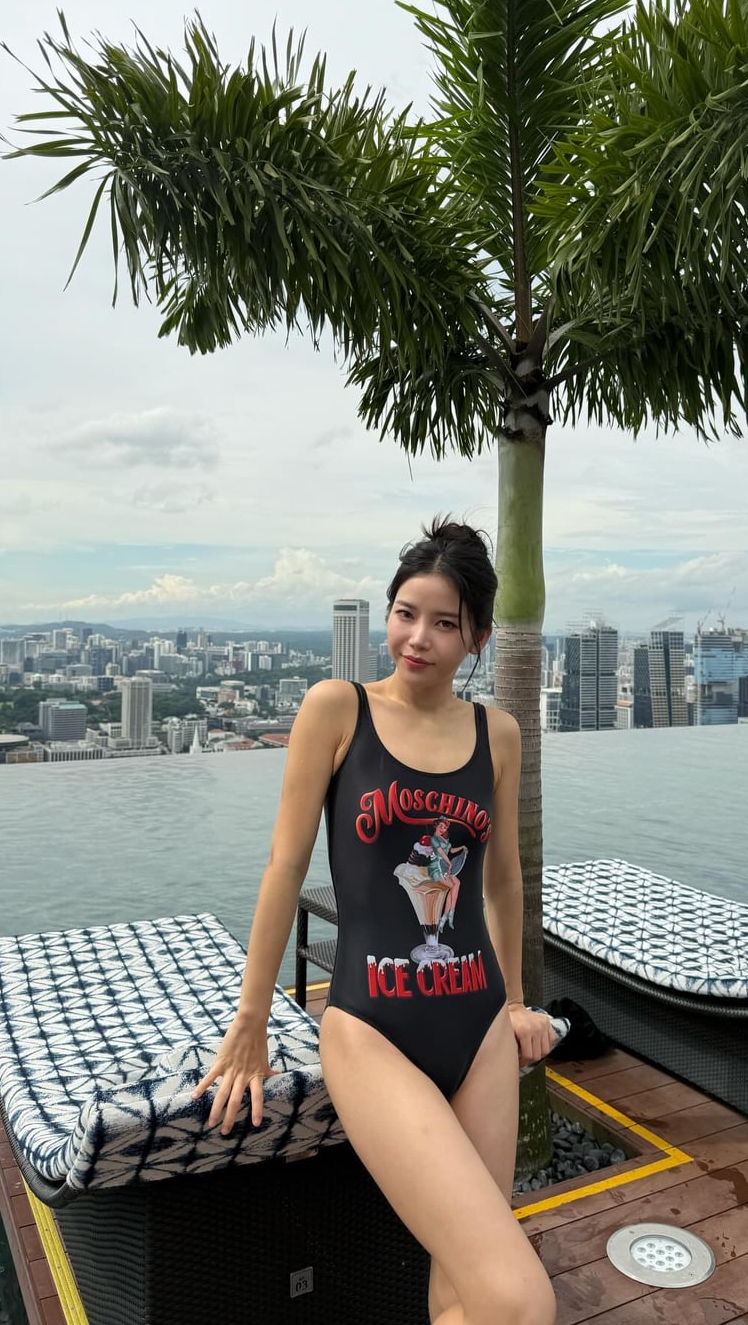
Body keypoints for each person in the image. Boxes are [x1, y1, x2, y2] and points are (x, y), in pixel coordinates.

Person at [193, 517, 557, 1325]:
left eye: (444, 623)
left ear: (478, 638)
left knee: (465, 1290)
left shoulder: (495, 733)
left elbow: (503, 880)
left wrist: (514, 1002)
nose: (418, 637)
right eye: (405, 613)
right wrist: (251, 1021)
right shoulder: (338, 709)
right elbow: (284, 869)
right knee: (521, 1299)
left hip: (479, 1029)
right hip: (371, 1028)